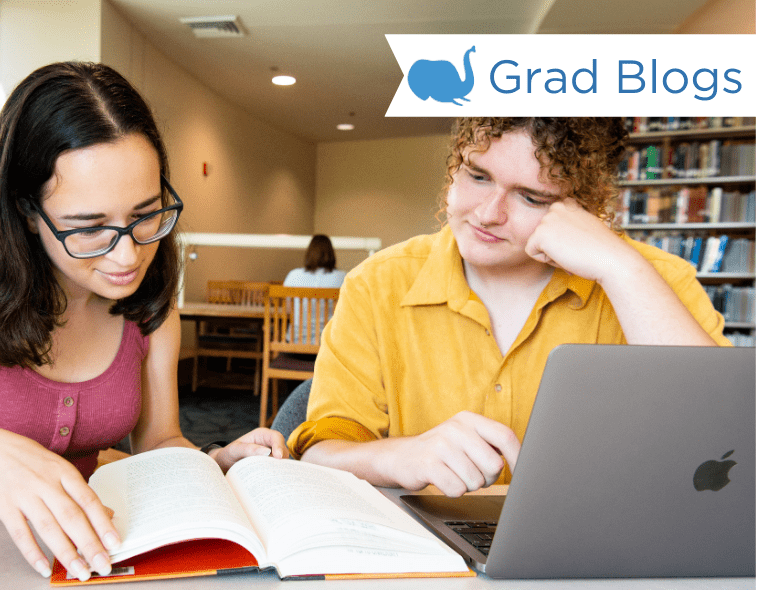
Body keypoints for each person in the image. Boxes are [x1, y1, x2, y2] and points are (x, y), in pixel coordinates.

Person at [0, 62, 287, 582]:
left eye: (146, 214)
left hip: (85, 561)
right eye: (89, 228)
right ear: (25, 210)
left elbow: (158, 440)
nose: (128, 255)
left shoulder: (148, 300)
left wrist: (213, 461)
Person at [287, 117, 729, 498]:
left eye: (531, 197)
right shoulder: (378, 282)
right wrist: (398, 456)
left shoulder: (651, 277)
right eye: (477, 176)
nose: (487, 214)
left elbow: (722, 441)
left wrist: (619, 269)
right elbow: (320, 451)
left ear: (587, 207)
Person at [283, 234, 346, 343]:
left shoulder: (293, 275)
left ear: (309, 253)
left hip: (295, 344)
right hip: (328, 347)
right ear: (332, 254)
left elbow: (288, 310)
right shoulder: (343, 277)